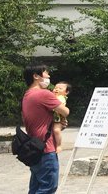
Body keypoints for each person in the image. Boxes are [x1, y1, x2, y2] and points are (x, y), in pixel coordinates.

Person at [22, 65, 69, 194]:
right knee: (48, 187)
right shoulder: (43, 94)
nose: (48, 76)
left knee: (36, 187)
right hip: (46, 149)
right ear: (36, 76)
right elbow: (65, 111)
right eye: (46, 73)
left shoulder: (28, 94)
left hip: (34, 147)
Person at [51, 82, 71, 152]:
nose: (57, 89)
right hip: (54, 117)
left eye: (60, 88)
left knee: (56, 130)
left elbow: (58, 105)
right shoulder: (54, 96)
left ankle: (59, 145)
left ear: (66, 92)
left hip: (58, 118)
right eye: (55, 88)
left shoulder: (61, 98)